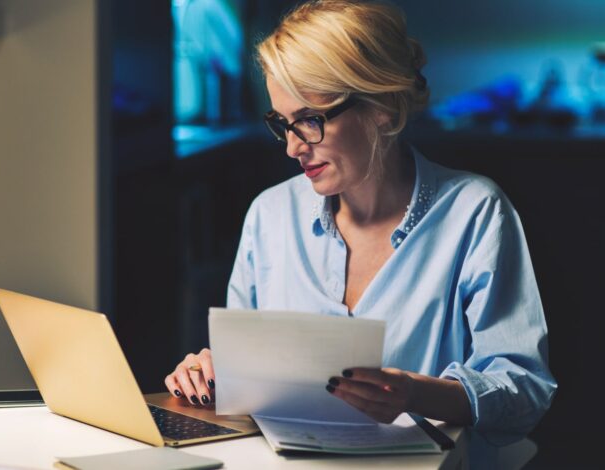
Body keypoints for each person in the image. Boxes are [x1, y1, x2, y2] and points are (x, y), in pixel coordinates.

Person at [164, 0, 557, 466]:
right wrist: (212, 373)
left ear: (383, 110)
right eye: (281, 123)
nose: (292, 147)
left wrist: (415, 393)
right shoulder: (269, 215)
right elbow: (248, 381)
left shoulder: (474, 213)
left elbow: (525, 391)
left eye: (310, 120)